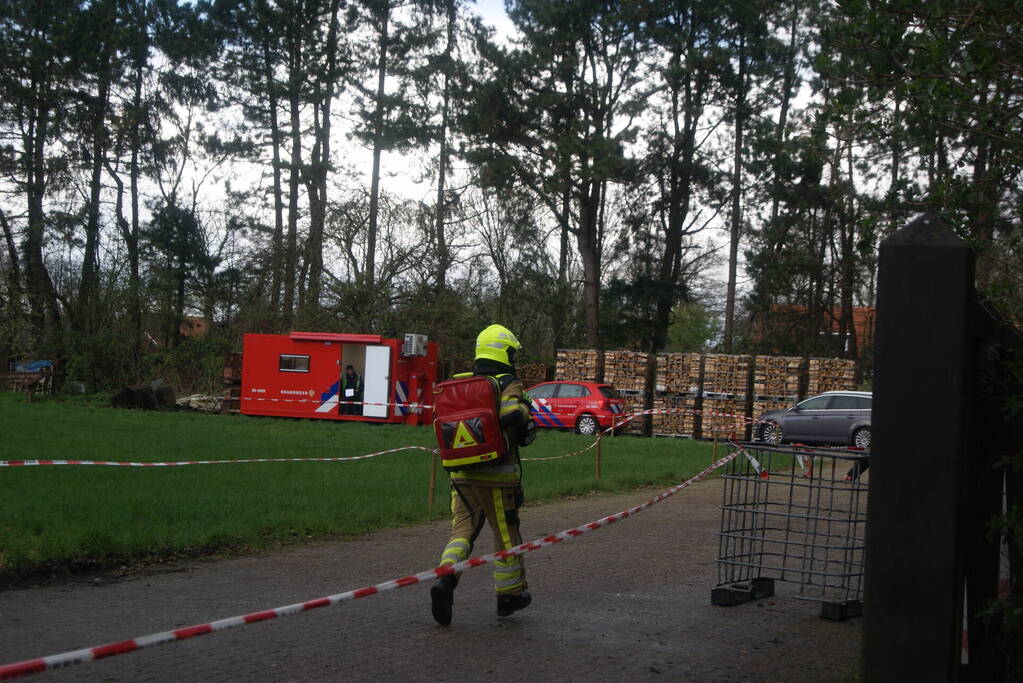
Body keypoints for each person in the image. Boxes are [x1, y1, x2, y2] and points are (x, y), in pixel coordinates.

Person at [431, 324, 535, 625]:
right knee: (505, 533)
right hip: (497, 476)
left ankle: (445, 579)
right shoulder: (507, 383)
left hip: (461, 475)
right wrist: (526, 415)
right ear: (505, 352)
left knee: (461, 532)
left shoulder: (462, 385)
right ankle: (509, 595)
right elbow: (511, 415)